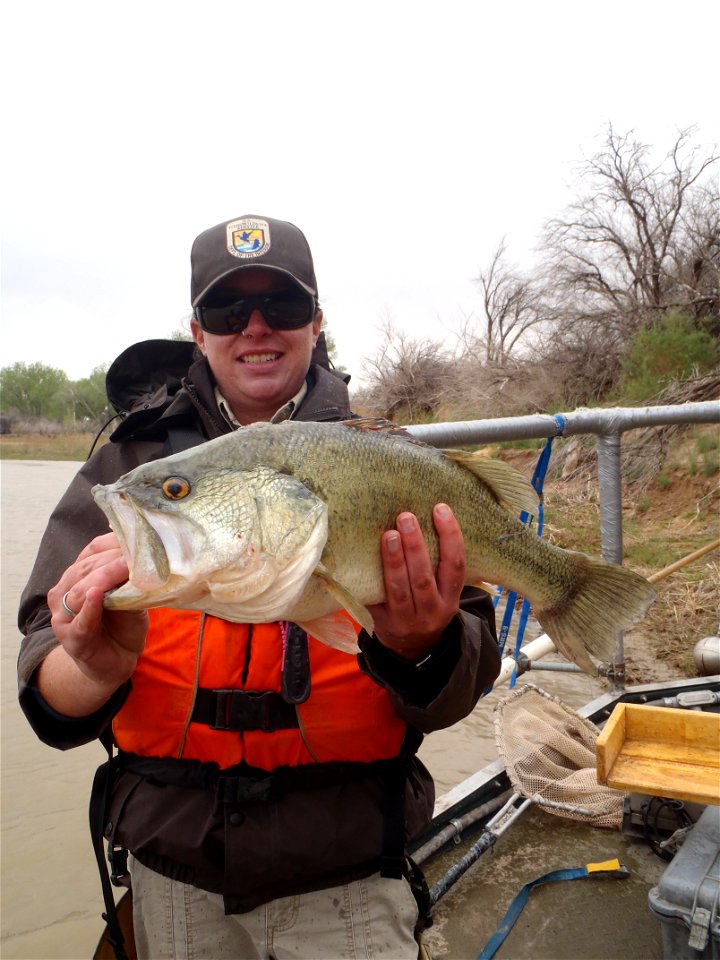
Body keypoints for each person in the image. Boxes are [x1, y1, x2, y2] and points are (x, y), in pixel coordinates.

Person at [18, 214, 501, 960]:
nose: (255, 328)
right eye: (226, 310)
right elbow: (44, 685)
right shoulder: (129, 469)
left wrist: (421, 648)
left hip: (349, 876)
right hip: (173, 876)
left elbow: (466, 679)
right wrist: (90, 666)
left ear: (315, 321)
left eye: (279, 306)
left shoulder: (386, 460)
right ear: (196, 330)